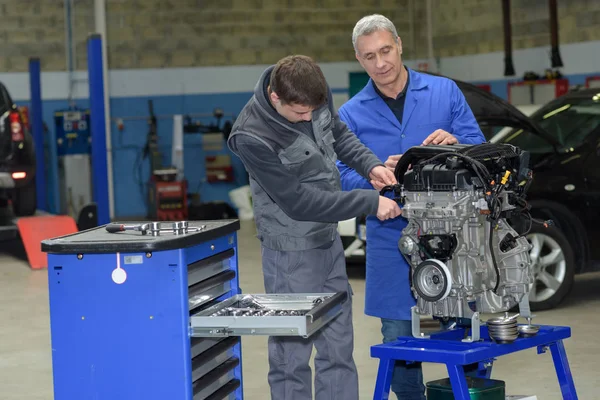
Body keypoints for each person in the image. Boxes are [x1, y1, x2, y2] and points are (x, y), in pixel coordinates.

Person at [227, 54, 402, 400]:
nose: (307, 119)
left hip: (328, 242)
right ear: (276, 98)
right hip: (290, 254)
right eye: (299, 113)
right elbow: (299, 202)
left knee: (338, 349)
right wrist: (368, 202)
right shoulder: (251, 137)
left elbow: (338, 132)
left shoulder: (312, 93)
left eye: (312, 111)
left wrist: (371, 166)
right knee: (292, 357)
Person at [336, 14, 487, 400]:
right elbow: (338, 175)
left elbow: (481, 151)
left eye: (385, 50)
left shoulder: (444, 92)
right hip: (391, 241)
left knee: (466, 333)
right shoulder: (351, 114)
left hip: (452, 237)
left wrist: (455, 144)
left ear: (400, 45)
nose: (380, 63)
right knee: (400, 344)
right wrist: (371, 176)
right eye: (369, 56)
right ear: (358, 59)